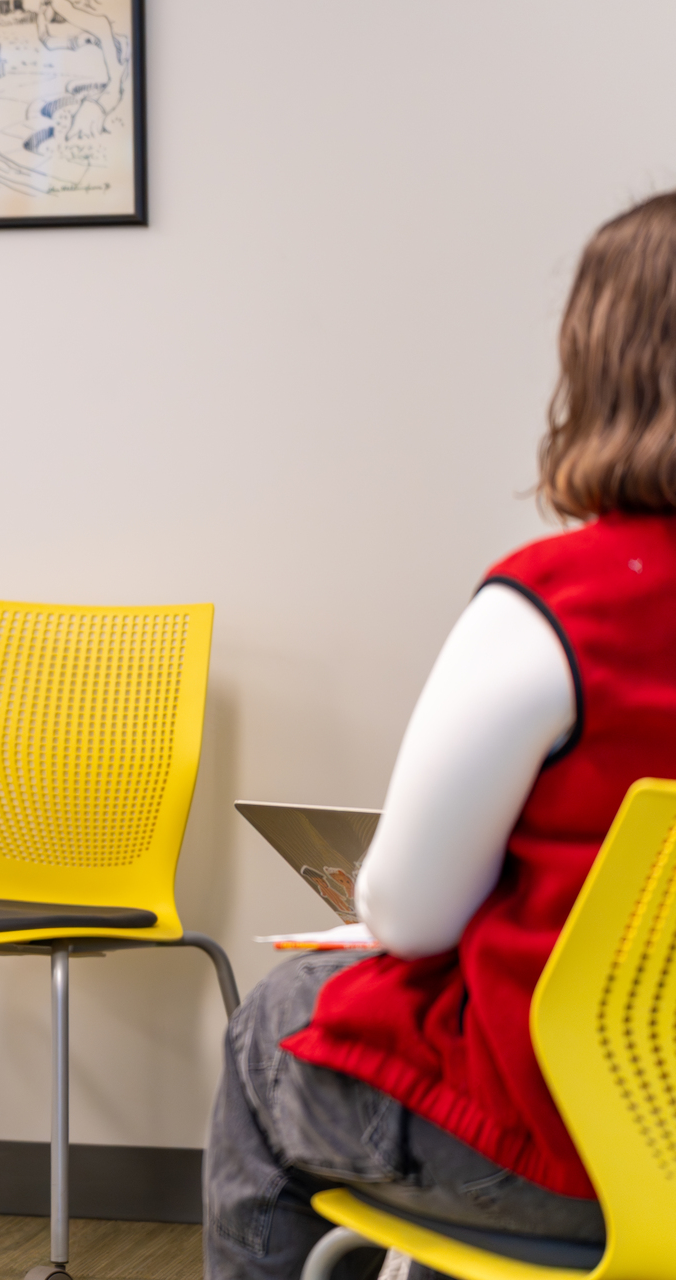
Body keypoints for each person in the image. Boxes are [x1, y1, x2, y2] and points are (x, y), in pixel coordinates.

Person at [203, 191, 676, 1276]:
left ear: (599, 366)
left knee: (276, 1014)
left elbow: (410, 916)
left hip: (579, 1153)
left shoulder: (552, 606)